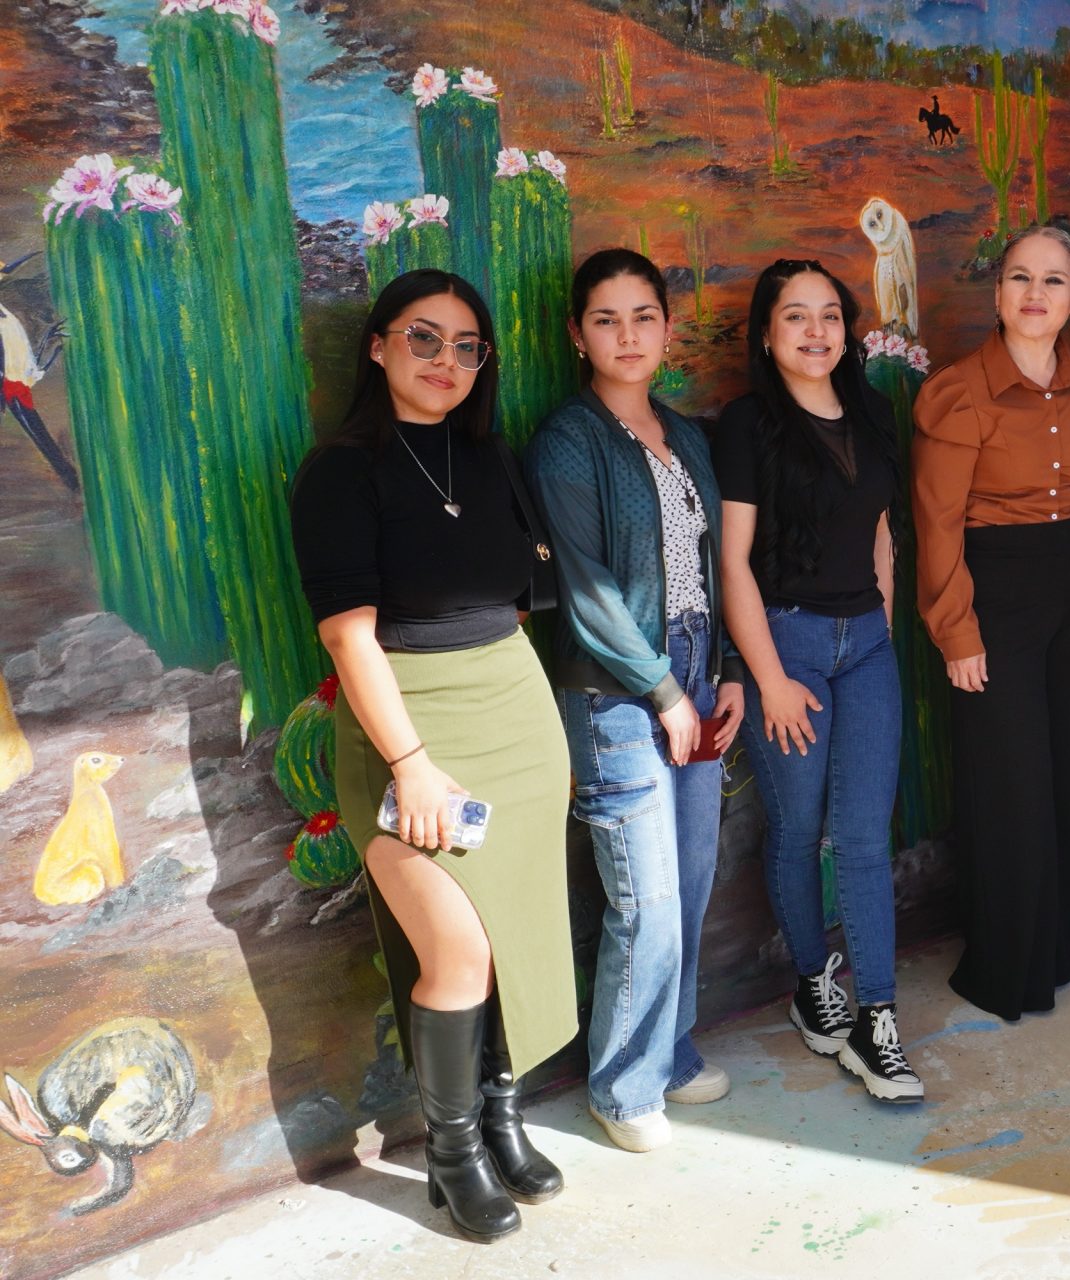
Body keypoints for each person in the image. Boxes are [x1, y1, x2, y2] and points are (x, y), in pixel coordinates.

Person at [290, 269, 570, 1243]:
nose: (445, 360)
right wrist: (410, 761)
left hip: (515, 713)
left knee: (517, 929)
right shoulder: (339, 472)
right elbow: (348, 636)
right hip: (403, 723)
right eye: (423, 337)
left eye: (465, 346)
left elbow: (519, 604)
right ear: (377, 346)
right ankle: (452, 1153)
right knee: (456, 949)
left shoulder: (490, 458)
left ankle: (501, 1116)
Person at [524, 249, 745, 1152]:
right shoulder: (567, 440)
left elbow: (712, 564)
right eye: (606, 320)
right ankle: (622, 1088)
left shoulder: (684, 435)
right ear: (578, 335)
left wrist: (726, 671)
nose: (627, 336)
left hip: (697, 668)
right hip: (617, 691)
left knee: (689, 883)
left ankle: (671, 1051)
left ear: (666, 327)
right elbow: (586, 590)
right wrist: (663, 691)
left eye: (643, 316)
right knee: (645, 899)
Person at [911, 224, 1070, 1020]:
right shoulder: (959, 392)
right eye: (1019, 278)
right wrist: (956, 631)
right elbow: (937, 522)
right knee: (1012, 777)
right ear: (998, 292)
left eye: (1052, 281)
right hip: (995, 592)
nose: (1035, 294)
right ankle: (1015, 965)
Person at [714, 259, 922, 1102]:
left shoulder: (871, 412)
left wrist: (883, 627)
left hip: (866, 646)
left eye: (830, 315)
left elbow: (881, 533)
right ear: (767, 335)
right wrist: (767, 678)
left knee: (866, 838)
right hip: (788, 645)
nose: (815, 331)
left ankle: (878, 1022)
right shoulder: (748, 424)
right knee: (799, 827)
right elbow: (731, 561)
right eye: (795, 316)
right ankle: (812, 982)